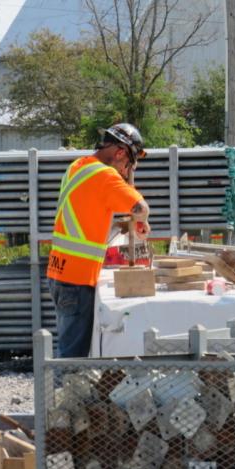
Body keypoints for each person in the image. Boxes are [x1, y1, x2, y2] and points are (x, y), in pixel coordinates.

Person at [47, 123, 150, 357]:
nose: (125, 172)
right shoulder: (105, 176)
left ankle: (68, 390)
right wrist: (141, 220)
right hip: (77, 277)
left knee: (70, 344)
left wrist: (132, 217)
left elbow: (95, 205)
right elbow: (140, 208)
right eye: (128, 164)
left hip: (59, 271)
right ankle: (65, 392)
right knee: (74, 353)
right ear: (120, 152)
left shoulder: (79, 166)